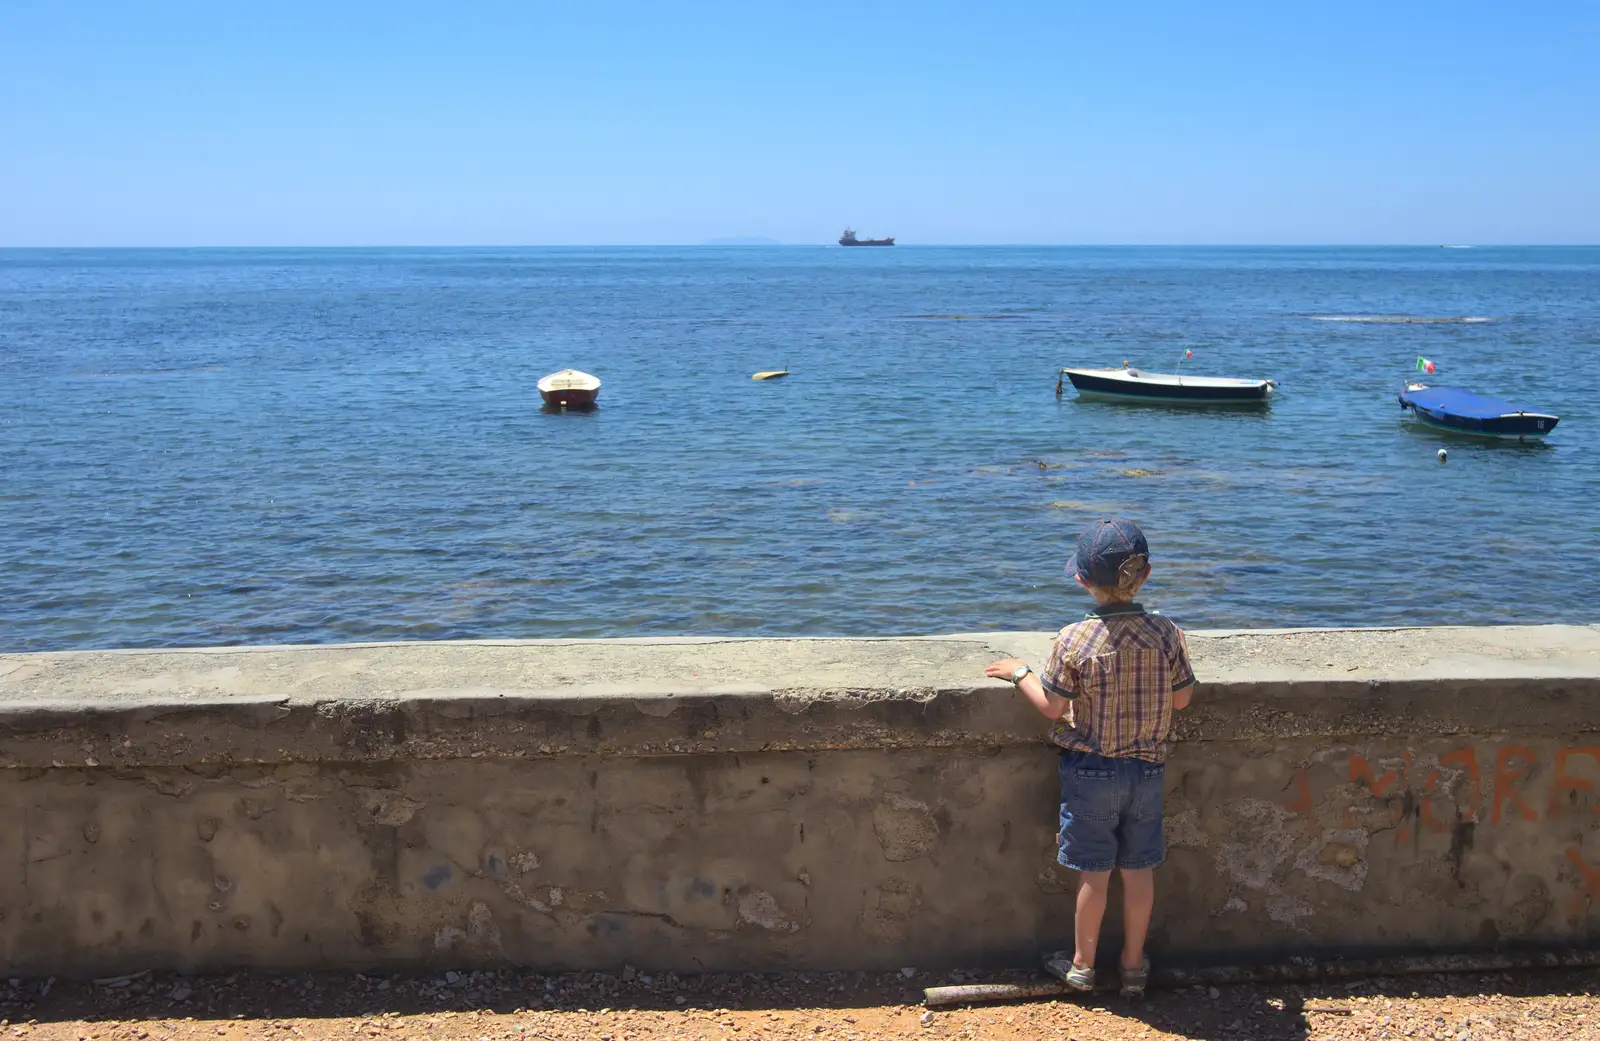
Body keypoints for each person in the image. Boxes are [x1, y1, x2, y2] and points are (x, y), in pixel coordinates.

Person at [985, 517, 1195, 998]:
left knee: (1093, 874)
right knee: (1139, 869)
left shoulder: (1074, 639)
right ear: (1145, 575)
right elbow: (1182, 700)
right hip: (1147, 769)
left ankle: (1082, 965)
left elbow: (1053, 708)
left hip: (1092, 771)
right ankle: (1134, 965)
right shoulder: (1167, 634)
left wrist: (1020, 673)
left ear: (1082, 580)